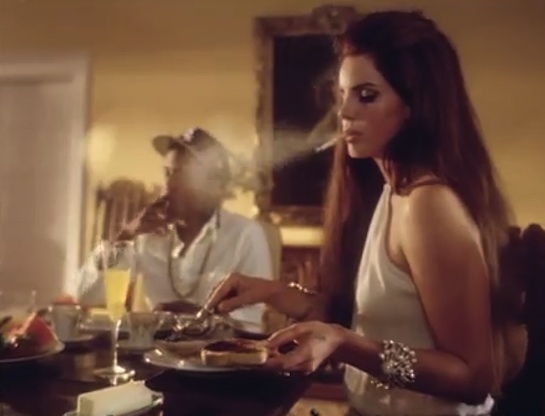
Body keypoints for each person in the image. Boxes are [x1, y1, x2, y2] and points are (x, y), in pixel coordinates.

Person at [205, 10, 525, 416]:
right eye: (342, 95)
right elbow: (374, 320)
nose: (344, 113)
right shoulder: (390, 191)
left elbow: (473, 378)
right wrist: (275, 293)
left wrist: (344, 344)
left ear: (416, 104)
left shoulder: (430, 205)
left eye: (367, 95)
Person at [67, 128, 274, 326]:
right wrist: (125, 236)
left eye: (183, 175)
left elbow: (250, 322)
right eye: (168, 173)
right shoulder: (146, 234)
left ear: (215, 186)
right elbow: (86, 296)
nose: (169, 185)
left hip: (217, 351)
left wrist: (196, 315)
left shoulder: (245, 235)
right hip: (154, 348)